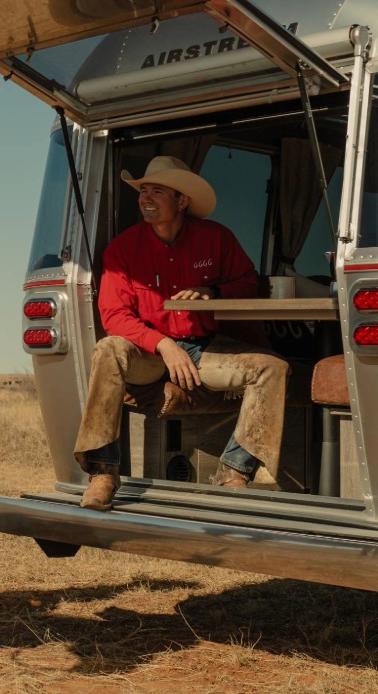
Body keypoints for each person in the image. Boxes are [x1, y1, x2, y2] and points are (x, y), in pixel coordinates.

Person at [75, 156, 290, 510]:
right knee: (109, 348)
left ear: (182, 200)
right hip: (149, 355)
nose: (146, 198)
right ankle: (102, 472)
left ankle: (234, 471)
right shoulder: (123, 249)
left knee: (272, 368)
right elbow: (114, 315)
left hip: (203, 350)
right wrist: (163, 345)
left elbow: (247, 282)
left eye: (157, 191)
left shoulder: (216, 238)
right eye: (143, 191)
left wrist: (213, 292)